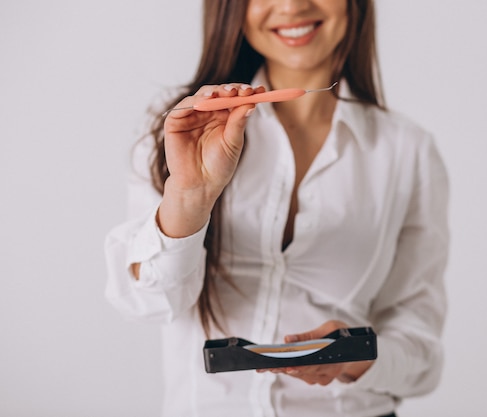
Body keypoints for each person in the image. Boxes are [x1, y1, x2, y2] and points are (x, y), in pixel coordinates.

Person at [105, 1, 449, 416]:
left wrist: (356, 357)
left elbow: (421, 353)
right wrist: (189, 196)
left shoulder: (408, 152)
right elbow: (146, 303)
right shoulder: (182, 128)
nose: (292, 6)